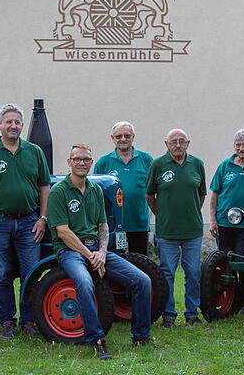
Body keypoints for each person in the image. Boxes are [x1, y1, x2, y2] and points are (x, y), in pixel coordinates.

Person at [48, 144, 152, 360]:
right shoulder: (58, 192)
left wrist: (102, 253)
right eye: (77, 159)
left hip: (96, 249)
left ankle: (141, 337)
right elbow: (63, 232)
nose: (81, 163)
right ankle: (97, 340)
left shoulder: (95, 190)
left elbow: (103, 226)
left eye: (86, 159)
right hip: (70, 251)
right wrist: (90, 255)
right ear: (69, 162)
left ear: (91, 162)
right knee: (85, 284)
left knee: (143, 281)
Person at [0, 103, 51, 340]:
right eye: (9, 122)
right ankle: (7, 321)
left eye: (17, 122)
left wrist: (43, 218)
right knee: (3, 274)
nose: (13, 126)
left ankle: (28, 321)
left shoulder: (34, 151)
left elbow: (44, 186)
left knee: (31, 274)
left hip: (30, 223)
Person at [146, 128, 207, 327]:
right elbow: (149, 196)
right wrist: (162, 215)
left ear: (188, 143)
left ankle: (192, 314)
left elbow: (201, 195)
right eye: (174, 141)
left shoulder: (197, 164)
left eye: (182, 141)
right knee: (166, 274)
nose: (178, 145)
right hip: (167, 231)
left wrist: (190, 213)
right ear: (166, 144)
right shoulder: (158, 165)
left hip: (193, 231)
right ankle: (169, 316)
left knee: (193, 274)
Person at [209, 128, 244, 315]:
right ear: (234, 147)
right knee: (225, 262)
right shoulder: (225, 166)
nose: (241, 148)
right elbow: (215, 194)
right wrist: (213, 221)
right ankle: (227, 300)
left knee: (243, 261)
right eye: (238, 145)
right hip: (225, 223)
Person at [94, 121, 154, 255]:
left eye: (127, 136)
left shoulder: (146, 159)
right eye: (118, 136)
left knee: (140, 260)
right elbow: (95, 194)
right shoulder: (104, 162)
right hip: (112, 224)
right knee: (115, 261)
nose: (123, 139)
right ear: (112, 138)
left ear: (133, 137)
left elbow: (154, 189)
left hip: (139, 222)